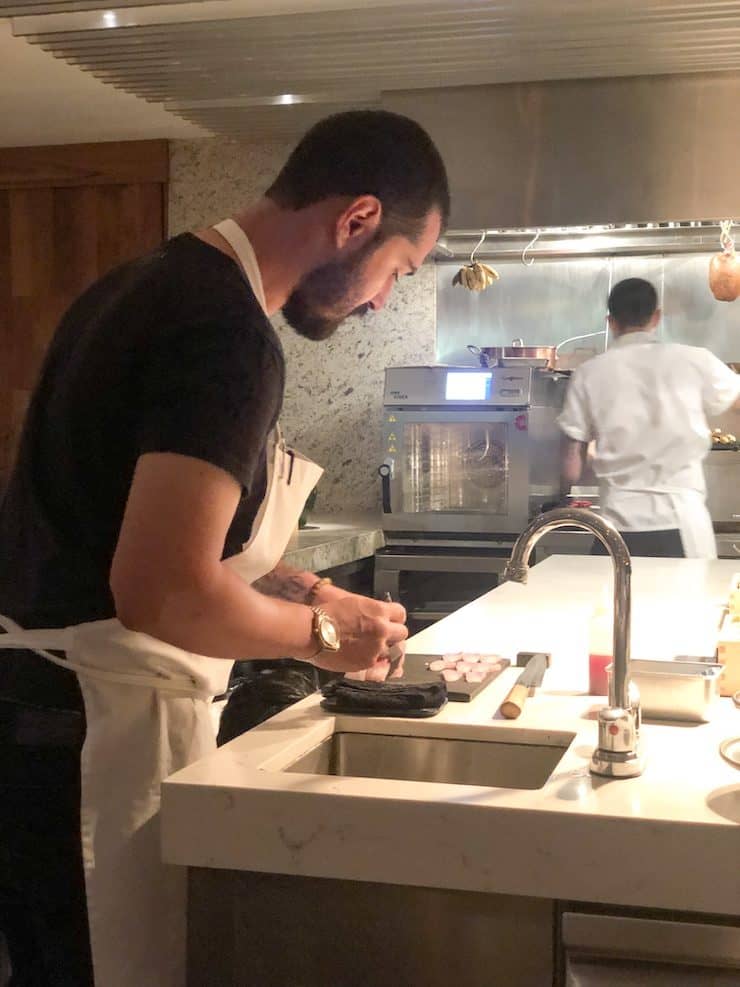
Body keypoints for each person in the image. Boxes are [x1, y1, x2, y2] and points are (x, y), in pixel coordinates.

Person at [0, 110, 449, 986]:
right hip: (92, 734)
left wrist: (315, 594)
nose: (382, 300)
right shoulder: (228, 338)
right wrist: (326, 642)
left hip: (45, 718)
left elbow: (155, 532)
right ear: (356, 220)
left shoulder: (147, 283)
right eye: (398, 269)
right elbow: (161, 590)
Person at [558, 277, 740, 558]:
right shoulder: (694, 360)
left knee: (613, 601)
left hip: (616, 527)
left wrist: (602, 458)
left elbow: (571, 467)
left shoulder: (589, 373)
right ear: (656, 317)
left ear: (611, 322)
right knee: (688, 602)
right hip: (682, 521)